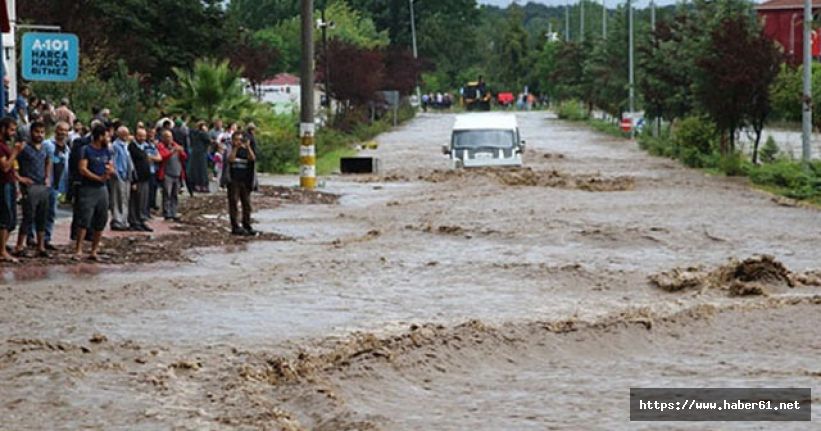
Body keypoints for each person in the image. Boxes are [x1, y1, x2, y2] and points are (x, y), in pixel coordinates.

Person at [74, 124, 114, 261]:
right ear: (100, 136)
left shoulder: (106, 151)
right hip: (89, 187)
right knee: (84, 218)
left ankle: (94, 250)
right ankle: (78, 249)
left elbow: (110, 165)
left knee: (101, 218)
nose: (108, 138)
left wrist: (110, 172)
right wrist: (98, 178)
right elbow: (82, 169)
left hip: (102, 188)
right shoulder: (86, 150)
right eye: (107, 136)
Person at [14, 121, 51, 257]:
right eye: (37, 132)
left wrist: (48, 177)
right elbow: (13, 161)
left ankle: (40, 246)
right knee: (28, 216)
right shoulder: (24, 148)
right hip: (29, 186)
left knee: (42, 216)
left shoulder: (45, 147)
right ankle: (19, 245)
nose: (39, 135)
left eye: (42, 132)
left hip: (42, 184)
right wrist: (20, 178)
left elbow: (48, 161)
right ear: (31, 132)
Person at [37, 121, 71, 250]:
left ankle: (47, 238)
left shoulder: (67, 148)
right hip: (45, 183)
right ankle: (33, 237)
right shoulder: (47, 144)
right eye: (61, 130)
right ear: (56, 130)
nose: (63, 133)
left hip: (57, 184)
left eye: (66, 131)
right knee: (39, 211)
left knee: (51, 212)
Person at [223, 132, 257, 236]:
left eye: (240, 140)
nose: (238, 142)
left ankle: (247, 225)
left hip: (245, 180)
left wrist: (248, 147)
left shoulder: (246, 150)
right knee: (234, 203)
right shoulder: (230, 149)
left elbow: (253, 159)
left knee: (246, 204)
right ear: (233, 140)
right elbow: (230, 159)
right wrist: (236, 148)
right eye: (236, 140)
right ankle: (235, 226)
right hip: (233, 180)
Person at [0, 118, 21, 262]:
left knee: (12, 219)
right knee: (5, 218)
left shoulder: (5, 145)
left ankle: (2, 247)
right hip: (3, 184)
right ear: (3, 129)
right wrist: (15, 152)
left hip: (10, 182)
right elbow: (5, 167)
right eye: (11, 129)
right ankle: (2, 251)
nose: (13, 133)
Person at [127, 128, 155, 232]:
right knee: (136, 201)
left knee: (143, 201)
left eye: (144, 136)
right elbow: (131, 165)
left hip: (145, 178)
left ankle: (141, 220)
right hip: (137, 178)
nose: (142, 138)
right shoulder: (132, 147)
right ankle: (135, 221)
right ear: (135, 136)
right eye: (140, 136)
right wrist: (133, 180)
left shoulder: (144, 147)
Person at [157, 130, 187, 222]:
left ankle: (174, 212)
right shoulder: (161, 146)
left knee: (175, 194)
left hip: (177, 173)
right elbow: (163, 156)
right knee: (167, 194)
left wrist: (181, 151)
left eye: (170, 137)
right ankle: (167, 213)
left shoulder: (176, 145)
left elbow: (184, 157)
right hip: (167, 173)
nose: (169, 139)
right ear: (163, 138)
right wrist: (172, 151)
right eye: (167, 137)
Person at [109, 126, 133, 231]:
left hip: (126, 175)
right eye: (125, 134)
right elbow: (113, 160)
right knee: (117, 198)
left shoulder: (126, 146)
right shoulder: (115, 146)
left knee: (125, 198)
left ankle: (124, 220)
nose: (127, 136)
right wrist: (116, 173)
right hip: (118, 174)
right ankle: (117, 220)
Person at [188, 121, 211, 193]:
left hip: (195, 152)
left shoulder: (194, 132)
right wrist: (205, 132)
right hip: (201, 153)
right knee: (202, 169)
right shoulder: (202, 133)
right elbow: (208, 140)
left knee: (195, 169)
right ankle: (203, 185)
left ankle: (196, 185)